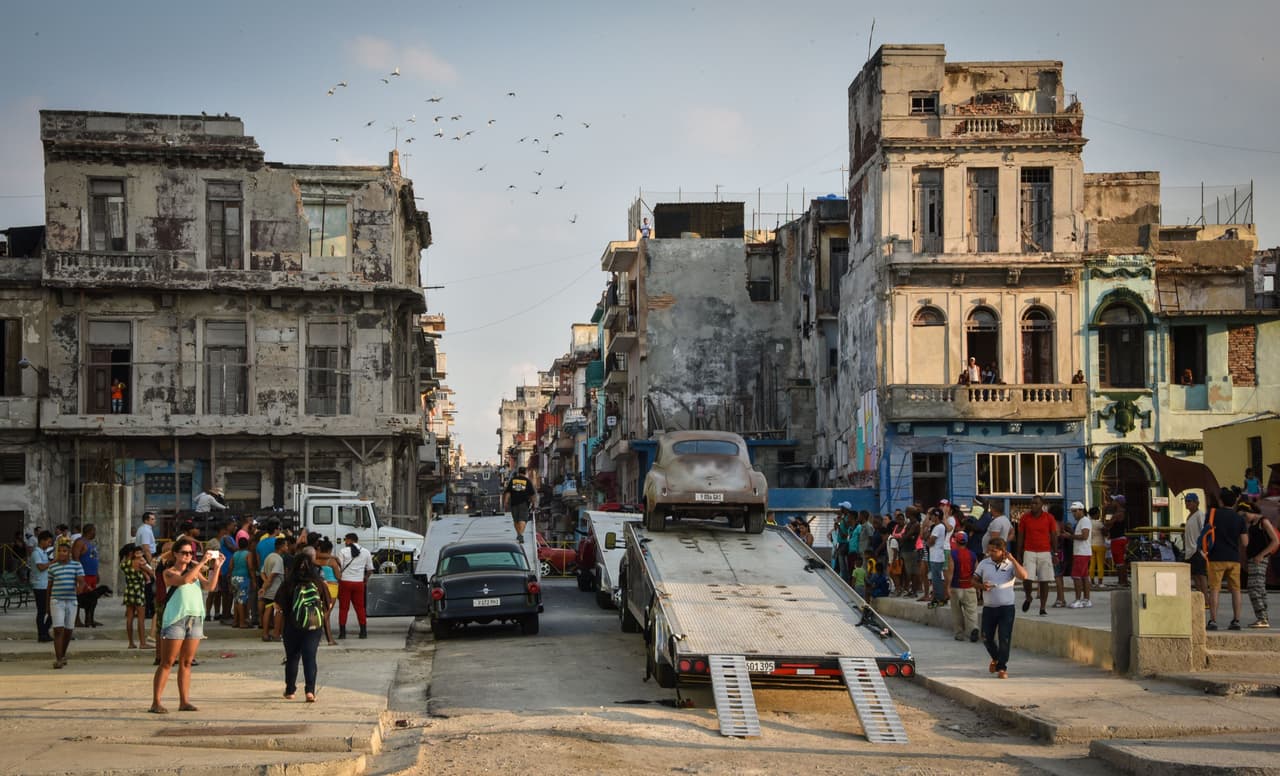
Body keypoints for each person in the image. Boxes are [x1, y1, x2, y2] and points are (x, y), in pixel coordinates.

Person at [151, 537, 219, 713]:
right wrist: (202, 562)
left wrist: (216, 567)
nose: (188, 556)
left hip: (194, 617)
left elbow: (210, 587)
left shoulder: (194, 571)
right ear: (175, 554)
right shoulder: (169, 572)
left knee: (187, 662)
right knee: (167, 661)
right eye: (184, 553)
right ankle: (156, 701)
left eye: (190, 553)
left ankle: (184, 701)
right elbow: (183, 580)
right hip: (175, 619)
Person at [277, 555, 332, 702]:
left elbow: (278, 606)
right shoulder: (319, 583)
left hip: (292, 626)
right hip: (313, 627)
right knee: (310, 658)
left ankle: (290, 691)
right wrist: (318, 618)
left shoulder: (288, 584)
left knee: (292, 658)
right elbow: (329, 604)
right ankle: (310, 692)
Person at [974, 537, 1029, 679]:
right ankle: (996, 658)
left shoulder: (1010, 564)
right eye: (989, 550)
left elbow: (1024, 576)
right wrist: (981, 586)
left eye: (994, 550)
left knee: (1004, 637)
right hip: (989, 607)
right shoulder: (984, 564)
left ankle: (1002, 667)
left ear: (1002, 551)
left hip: (1006, 608)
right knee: (986, 637)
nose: (990, 553)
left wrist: (1013, 559)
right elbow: (973, 580)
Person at [1200, 502, 1248, 631]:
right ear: (1235, 502)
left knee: (1215, 589)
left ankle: (1213, 620)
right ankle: (1236, 620)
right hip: (1234, 558)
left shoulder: (1212, 514)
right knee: (1236, 590)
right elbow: (1245, 542)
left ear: (1221, 501)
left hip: (1216, 557)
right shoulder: (1239, 518)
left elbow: (1205, 533)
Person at [47, 539, 86, 669]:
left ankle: (62, 654)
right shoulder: (52, 567)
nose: (61, 553)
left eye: (64, 551)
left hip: (71, 601)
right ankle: (58, 659)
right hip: (56, 600)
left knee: (68, 630)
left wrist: (79, 588)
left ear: (69, 552)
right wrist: (47, 605)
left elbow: (82, 581)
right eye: (59, 551)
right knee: (58, 629)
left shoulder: (76, 565)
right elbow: (49, 586)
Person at [1016, 495, 1057, 616]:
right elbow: (1021, 535)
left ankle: (1042, 607)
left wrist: (1055, 553)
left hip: (1045, 552)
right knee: (1026, 578)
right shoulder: (1025, 518)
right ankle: (1028, 596)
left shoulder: (1049, 518)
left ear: (1042, 505)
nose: (1033, 506)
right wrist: (1019, 553)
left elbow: (1053, 535)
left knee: (1044, 580)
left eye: (1036, 503)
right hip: (1029, 551)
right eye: (1032, 503)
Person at [1242, 502, 1277, 628]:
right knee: (1259, 589)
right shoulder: (1252, 524)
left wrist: (1262, 555)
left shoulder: (1263, 522)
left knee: (1254, 588)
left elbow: (1275, 541)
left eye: (1245, 514)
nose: (1244, 518)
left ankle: (1262, 618)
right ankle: (1263, 617)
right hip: (1253, 559)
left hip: (1259, 560)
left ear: (1251, 512)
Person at [335, 532, 376, 639]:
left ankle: (342, 633)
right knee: (360, 608)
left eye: (345, 540)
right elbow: (370, 569)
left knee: (344, 608)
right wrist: (365, 579)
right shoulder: (366, 552)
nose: (344, 542)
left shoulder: (343, 551)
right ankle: (363, 632)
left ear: (349, 540)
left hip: (345, 582)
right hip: (359, 583)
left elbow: (339, 569)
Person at [947, 531, 980, 642]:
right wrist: (978, 587)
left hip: (956, 586)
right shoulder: (973, 554)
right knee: (971, 611)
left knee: (956, 611)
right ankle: (973, 629)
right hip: (970, 586)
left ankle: (959, 633)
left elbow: (950, 572)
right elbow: (977, 572)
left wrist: (947, 586)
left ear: (956, 541)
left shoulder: (953, 554)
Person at [120, 543, 153, 648]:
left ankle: (131, 643)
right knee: (140, 618)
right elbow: (151, 572)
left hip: (129, 590)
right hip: (138, 590)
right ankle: (142, 643)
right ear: (132, 552)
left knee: (129, 618)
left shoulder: (124, 564)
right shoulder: (139, 563)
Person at [71, 524, 102, 627]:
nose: (95, 533)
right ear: (89, 531)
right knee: (81, 598)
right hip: (84, 574)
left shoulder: (90, 543)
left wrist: (96, 573)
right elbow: (76, 557)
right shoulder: (80, 542)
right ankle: (76, 619)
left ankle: (89, 618)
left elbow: (93, 558)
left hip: (92, 574)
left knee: (92, 598)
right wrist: (79, 574)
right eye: (94, 531)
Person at [259, 536, 289, 642]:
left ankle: (265, 634)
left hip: (268, 589)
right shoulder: (278, 559)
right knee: (278, 611)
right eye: (286, 545)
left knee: (268, 609)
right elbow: (273, 575)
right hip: (276, 589)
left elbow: (262, 572)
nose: (287, 547)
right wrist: (265, 585)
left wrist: (265, 583)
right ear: (281, 547)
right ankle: (276, 634)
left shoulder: (269, 557)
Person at [315, 538, 343, 645]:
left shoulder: (316, 559)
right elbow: (338, 576)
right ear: (329, 550)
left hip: (320, 586)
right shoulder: (332, 561)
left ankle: (323, 637)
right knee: (327, 613)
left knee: (320, 611)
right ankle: (329, 639)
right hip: (332, 587)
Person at [1066, 502, 1093, 608]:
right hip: (1083, 552)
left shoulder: (1084, 521)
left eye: (1075, 511)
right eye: (1072, 511)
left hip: (1081, 553)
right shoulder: (1082, 521)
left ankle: (1078, 599)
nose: (1073, 514)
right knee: (1084, 576)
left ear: (1081, 510)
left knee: (1076, 576)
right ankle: (1086, 599)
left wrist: (1070, 536)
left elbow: (1084, 536)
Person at [1182, 493, 1208, 600]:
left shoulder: (1199, 515)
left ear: (1196, 502)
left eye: (1189, 501)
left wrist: (1201, 547)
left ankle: (1205, 598)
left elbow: (1204, 530)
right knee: (1195, 576)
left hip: (1197, 549)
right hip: (1190, 551)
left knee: (1201, 575)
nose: (1187, 503)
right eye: (1186, 501)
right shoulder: (1189, 516)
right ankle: (1199, 598)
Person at [30, 531, 54, 643]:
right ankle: (42, 634)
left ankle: (44, 632)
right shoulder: (36, 553)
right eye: (48, 542)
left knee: (50, 610)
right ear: (42, 540)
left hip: (45, 584)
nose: (49, 544)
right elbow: (40, 567)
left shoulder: (44, 552)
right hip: (39, 585)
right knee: (42, 611)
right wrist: (53, 562)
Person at [504, 467, 536, 542]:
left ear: (518, 472)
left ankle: (519, 534)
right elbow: (532, 494)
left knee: (516, 520)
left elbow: (508, 492)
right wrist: (533, 503)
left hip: (514, 503)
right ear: (525, 472)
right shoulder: (527, 481)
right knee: (523, 519)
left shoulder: (513, 480)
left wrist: (506, 502)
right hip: (524, 503)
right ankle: (520, 534)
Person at [229, 537, 255, 629]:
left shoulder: (235, 554)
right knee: (242, 600)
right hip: (243, 578)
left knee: (236, 600)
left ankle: (235, 621)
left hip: (234, 577)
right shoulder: (248, 554)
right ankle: (242, 622)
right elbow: (250, 567)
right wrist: (254, 580)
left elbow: (231, 566)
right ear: (247, 545)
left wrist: (230, 579)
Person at [925, 509, 948, 608]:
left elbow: (931, 541)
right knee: (935, 578)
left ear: (937, 516)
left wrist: (927, 541)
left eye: (932, 516)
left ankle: (939, 598)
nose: (931, 518)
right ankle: (938, 597)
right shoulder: (936, 527)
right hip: (934, 556)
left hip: (937, 557)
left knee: (936, 579)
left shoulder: (939, 527)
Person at [1088, 506, 1107, 587]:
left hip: (1091, 545)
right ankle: (1100, 582)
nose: (1099, 514)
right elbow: (1105, 533)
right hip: (1100, 545)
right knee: (1100, 564)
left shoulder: (1088, 523)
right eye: (1098, 513)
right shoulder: (1099, 524)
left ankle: (1092, 581)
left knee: (1092, 564)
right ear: (1095, 514)